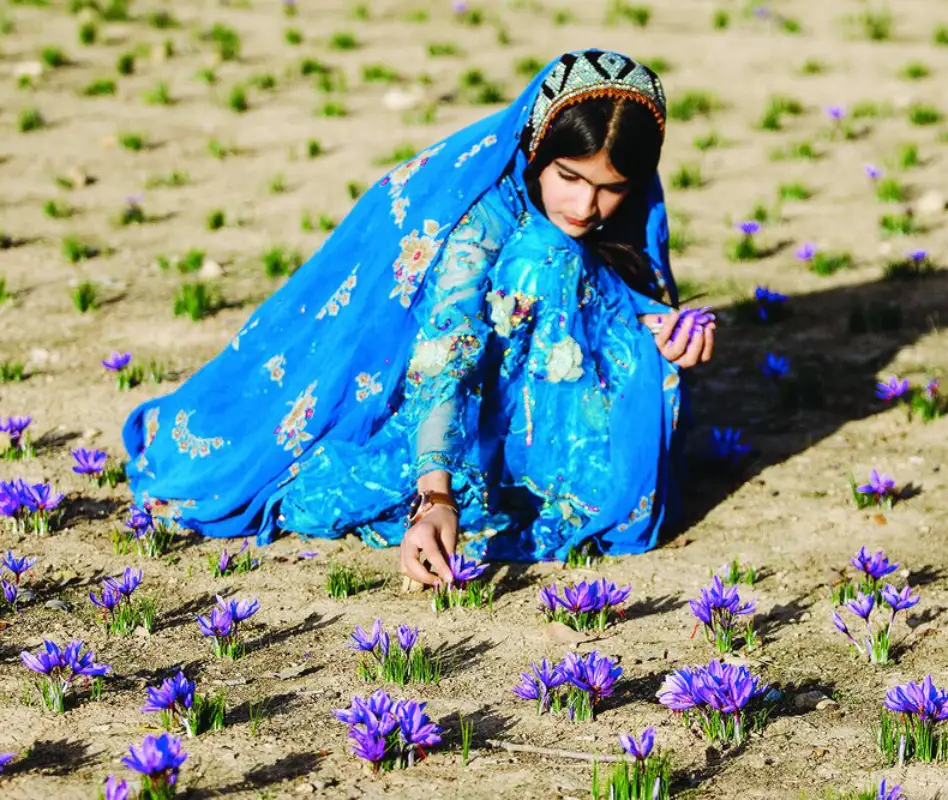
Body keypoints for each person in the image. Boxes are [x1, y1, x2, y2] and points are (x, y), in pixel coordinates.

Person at [121, 50, 715, 585]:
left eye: (611, 188)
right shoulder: (481, 224)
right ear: (536, 147)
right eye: (569, 177)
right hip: (444, 412)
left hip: (530, 404)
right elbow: (447, 354)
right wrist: (435, 497)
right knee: (548, 257)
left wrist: (654, 329)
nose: (587, 206)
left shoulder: (622, 214)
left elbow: (618, 292)